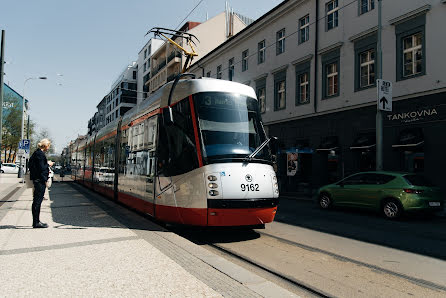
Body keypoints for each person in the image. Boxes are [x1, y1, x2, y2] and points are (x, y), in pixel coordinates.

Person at [28, 139, 53, 228]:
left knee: (36, 201)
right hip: (39, 181)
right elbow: (42, 168)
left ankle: (36, 221)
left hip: (37, 179)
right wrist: (48, 164)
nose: (48, 148)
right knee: (37, 201)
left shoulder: (36, 153)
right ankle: (36, 222)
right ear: (45, 146)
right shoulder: (40, 154)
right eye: (48, 146)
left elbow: (31, 165)